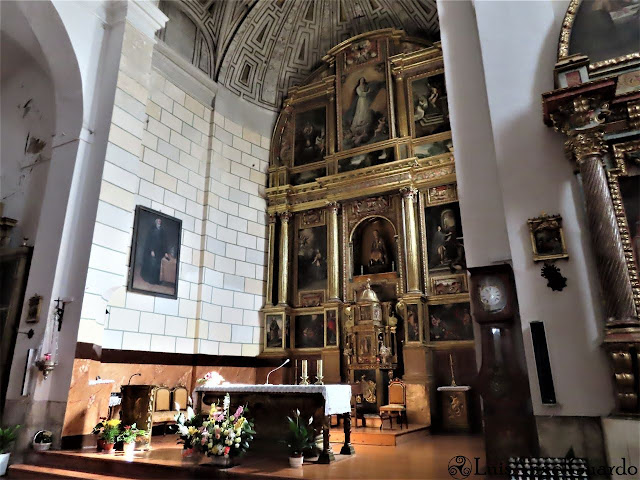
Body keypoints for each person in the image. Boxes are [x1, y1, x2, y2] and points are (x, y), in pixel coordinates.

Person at [141, 218, 167, 285]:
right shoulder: (152, 230)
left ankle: (157, 281)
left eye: (160, 221)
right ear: (155, 222)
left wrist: (165, 252)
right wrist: (152, 250)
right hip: (153, 251)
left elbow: (164, 242)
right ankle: (151, 280)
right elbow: (150, 241)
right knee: (153, 265)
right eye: (158, 221)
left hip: (160, 251)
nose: (159, 222)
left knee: (158, 266)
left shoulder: (162, 230)